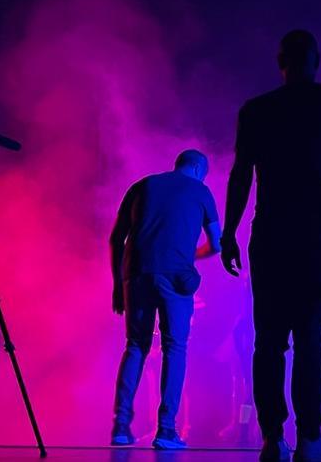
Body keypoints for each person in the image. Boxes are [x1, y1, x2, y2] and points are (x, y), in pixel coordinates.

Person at [222, 9, 321, 462]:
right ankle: (309, 438)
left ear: (280, 61)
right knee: (310, 341)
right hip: (320, 239)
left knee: (268, 342)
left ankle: (271, 440)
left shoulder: (257, 110)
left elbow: (241, 173)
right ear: (316, 61)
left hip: (270, 237)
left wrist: (228, 231)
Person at [108, 150, 222, 450]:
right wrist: (190, 256)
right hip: (175, 278)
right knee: (174, 347)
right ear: (198, 169)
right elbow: (216, 244)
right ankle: (166, 429)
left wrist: (118, 284)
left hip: (137, 274)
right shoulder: (201, 191)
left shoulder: (142, 185)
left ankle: (120, 426)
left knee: (135, 346)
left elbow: (115, 238)